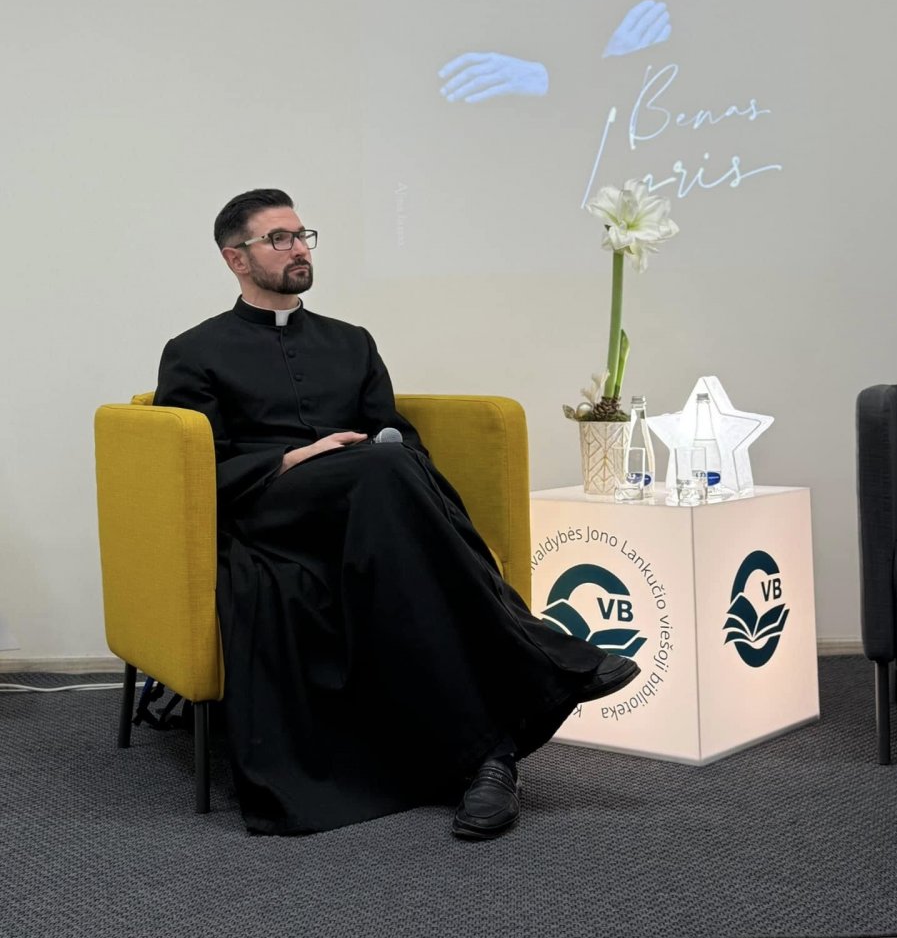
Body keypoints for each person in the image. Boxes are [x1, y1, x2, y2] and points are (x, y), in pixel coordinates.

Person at [155, 188, 640, 838]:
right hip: (273, 507)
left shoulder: (352, 343)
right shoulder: (194, 350)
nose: (299, 249)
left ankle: (491, 760)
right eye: (279, 238)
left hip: (369, 503)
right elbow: (195, 466)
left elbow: (397, 436)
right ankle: (540, 649)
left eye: (303, 235)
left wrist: (373, 453)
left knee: (391, 469)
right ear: (235, 259)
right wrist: (296, 459)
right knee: (384, 470)